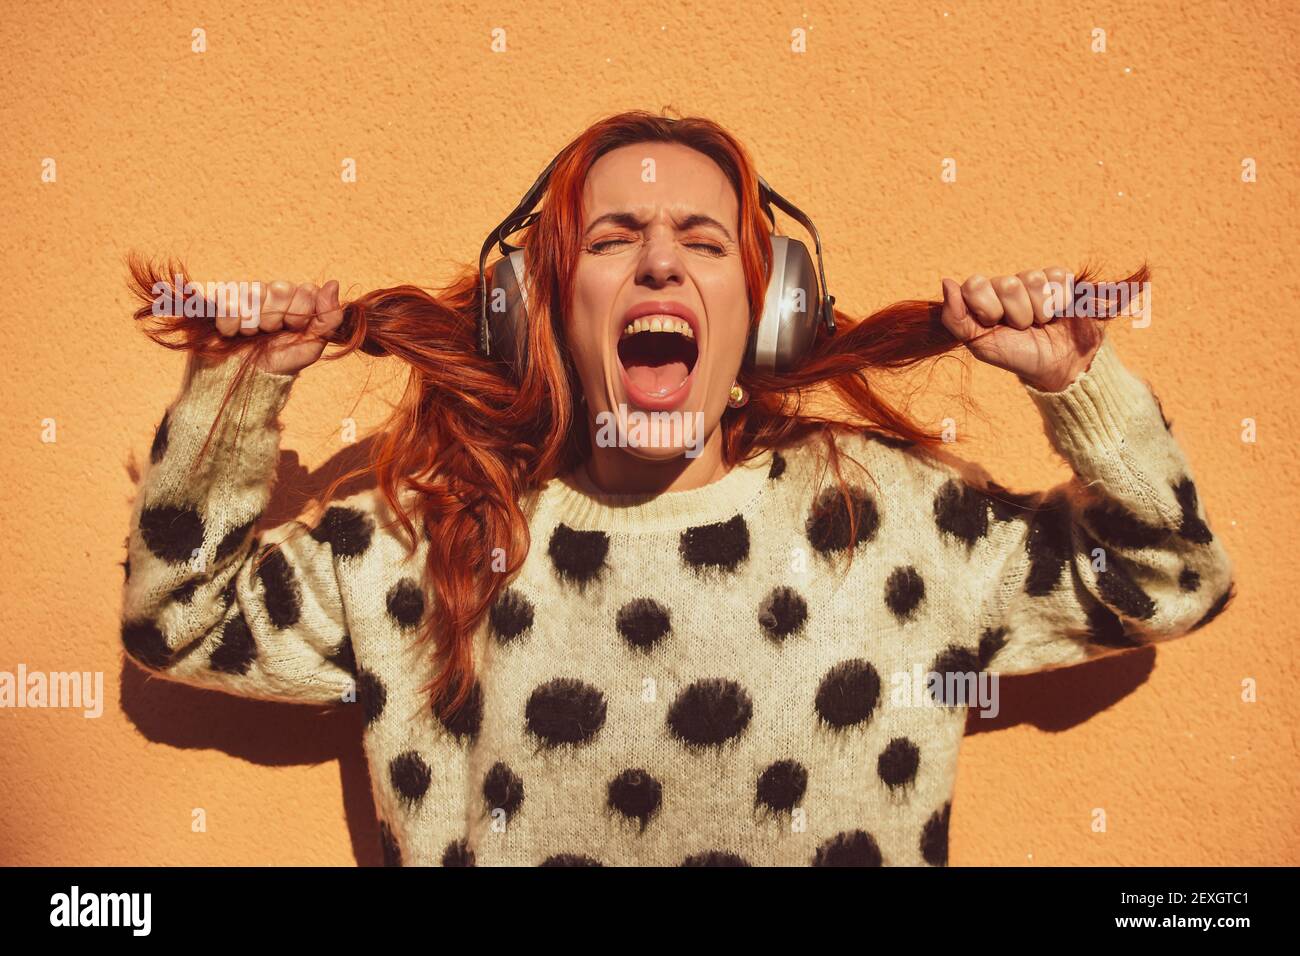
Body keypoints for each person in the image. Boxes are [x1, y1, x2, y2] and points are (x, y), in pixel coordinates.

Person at [119, 110, 1235, 866]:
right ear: (538, 307)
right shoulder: (426, 534)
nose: (659, 262)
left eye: (703, 241)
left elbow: (1172, 579)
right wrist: (238, 390)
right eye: (614, 238)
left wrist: (1079, 383)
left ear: (771, 306)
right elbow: (177, 621)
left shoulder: (895, 520)